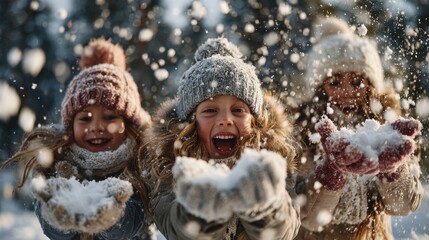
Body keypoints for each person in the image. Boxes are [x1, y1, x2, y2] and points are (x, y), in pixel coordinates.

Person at [137, 37, 301, 240]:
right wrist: (200, 210)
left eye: (238, 110)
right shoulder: (170, 166)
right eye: (210, 110)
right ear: (190, 122)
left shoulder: (272, 160)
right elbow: (172, 225)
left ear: (255, 121)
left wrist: (265, 205)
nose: (225, 120)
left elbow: (286, 229)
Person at [1, 38, 156, 240]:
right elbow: (50, 226)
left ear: (129, 125)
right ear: (70, 126)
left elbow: (139, 218)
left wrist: (113, 216)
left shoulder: (140, 164)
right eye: (85, 118)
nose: (97, 126)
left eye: (110, 117)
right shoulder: (58, 163)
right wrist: (58, 213)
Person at [293, 17, 424, 239]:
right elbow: (308, 217)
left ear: (372, 87)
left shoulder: (388, 129)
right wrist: (330, 174)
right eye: (334, 83)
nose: (347, 91)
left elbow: (404, 206)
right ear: (319, 89)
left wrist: (393, 171)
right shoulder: (303, 136)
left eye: (357, 83)